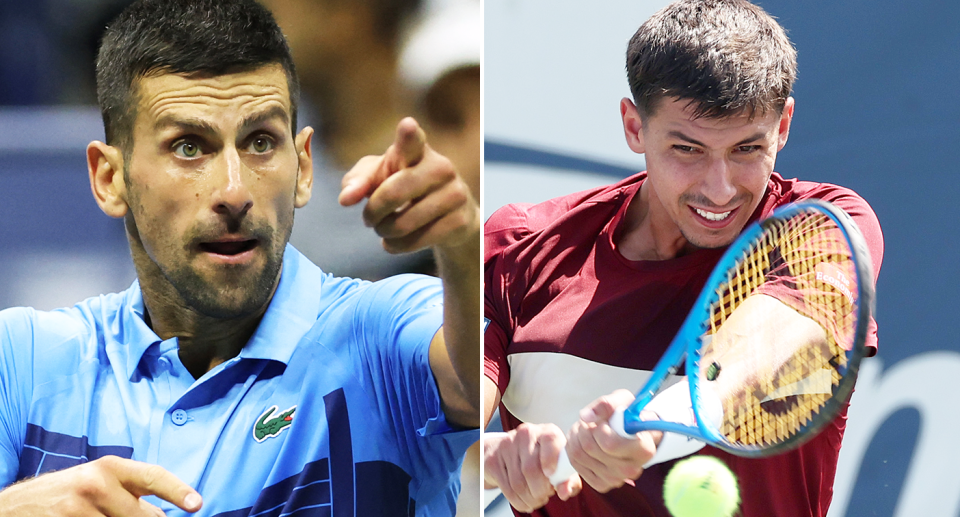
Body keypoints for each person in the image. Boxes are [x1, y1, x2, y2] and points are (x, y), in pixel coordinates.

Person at [0, 0, 480, 516]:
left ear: (302, 167)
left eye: (260, 142)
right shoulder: (22, 359)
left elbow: (481, 380)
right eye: (188, 147)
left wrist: (464, 245)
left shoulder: (379, 335)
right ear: (109, 178)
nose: (234, 190)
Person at [482, 1, 884, 516]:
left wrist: (658, 423)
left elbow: (769, 349)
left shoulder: (826, 225)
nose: (719, 190)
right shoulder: (521, 243)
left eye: (746, 149)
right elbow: (450, 419)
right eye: (687, 149)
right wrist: (491, 461)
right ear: (634, 126)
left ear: (782, 125)